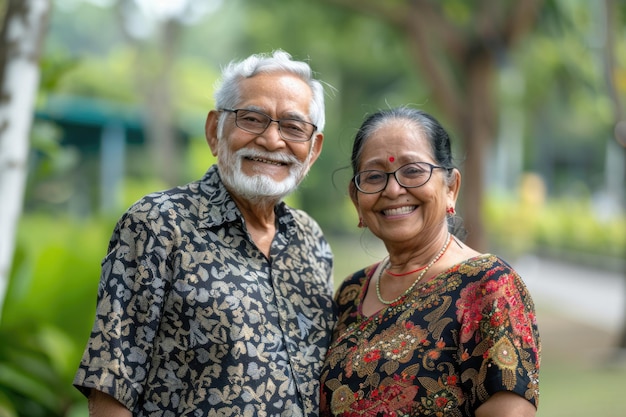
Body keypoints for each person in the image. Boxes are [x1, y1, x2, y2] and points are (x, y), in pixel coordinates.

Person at [73, 50, 336, 417]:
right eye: (252, 119)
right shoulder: (158, 223)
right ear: (215, 130)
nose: (273, 140)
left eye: (293, 127)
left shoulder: (311, 240)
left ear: (313, 150)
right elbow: (111, 384)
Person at [320, 107, 540, 417]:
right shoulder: (351, 292)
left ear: (450, 188)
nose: (394, 189)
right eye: (374, 176)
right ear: (357, 199)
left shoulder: (489, 286)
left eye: (412, 171)